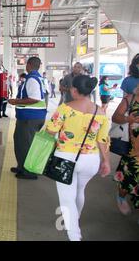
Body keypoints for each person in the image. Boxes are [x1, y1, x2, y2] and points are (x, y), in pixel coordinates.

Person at [45, 75, 110, 241]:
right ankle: (74, 219)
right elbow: (102, 139)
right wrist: (106, 161)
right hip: (91, 160)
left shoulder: (65, 109)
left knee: (67, 198)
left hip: (65, 158)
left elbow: (51, 130)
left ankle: (74, 235)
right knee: (79, 191)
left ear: (74, 90)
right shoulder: (100, 112)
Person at [8, 57, 47, 180]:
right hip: (34, 117)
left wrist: (16, 101)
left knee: (25, 144)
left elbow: (35, 98)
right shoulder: (40, 78)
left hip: (30, 118)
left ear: (29, 65)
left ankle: (28, 171)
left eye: (26, 64)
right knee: (21, 142)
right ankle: (22, 166)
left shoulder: (32, 79)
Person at [112, 83, 139, 215]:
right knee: (128, 178)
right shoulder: (131, 98)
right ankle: (121, 196)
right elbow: (115, 117)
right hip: (133, 149)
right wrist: (128, 119)